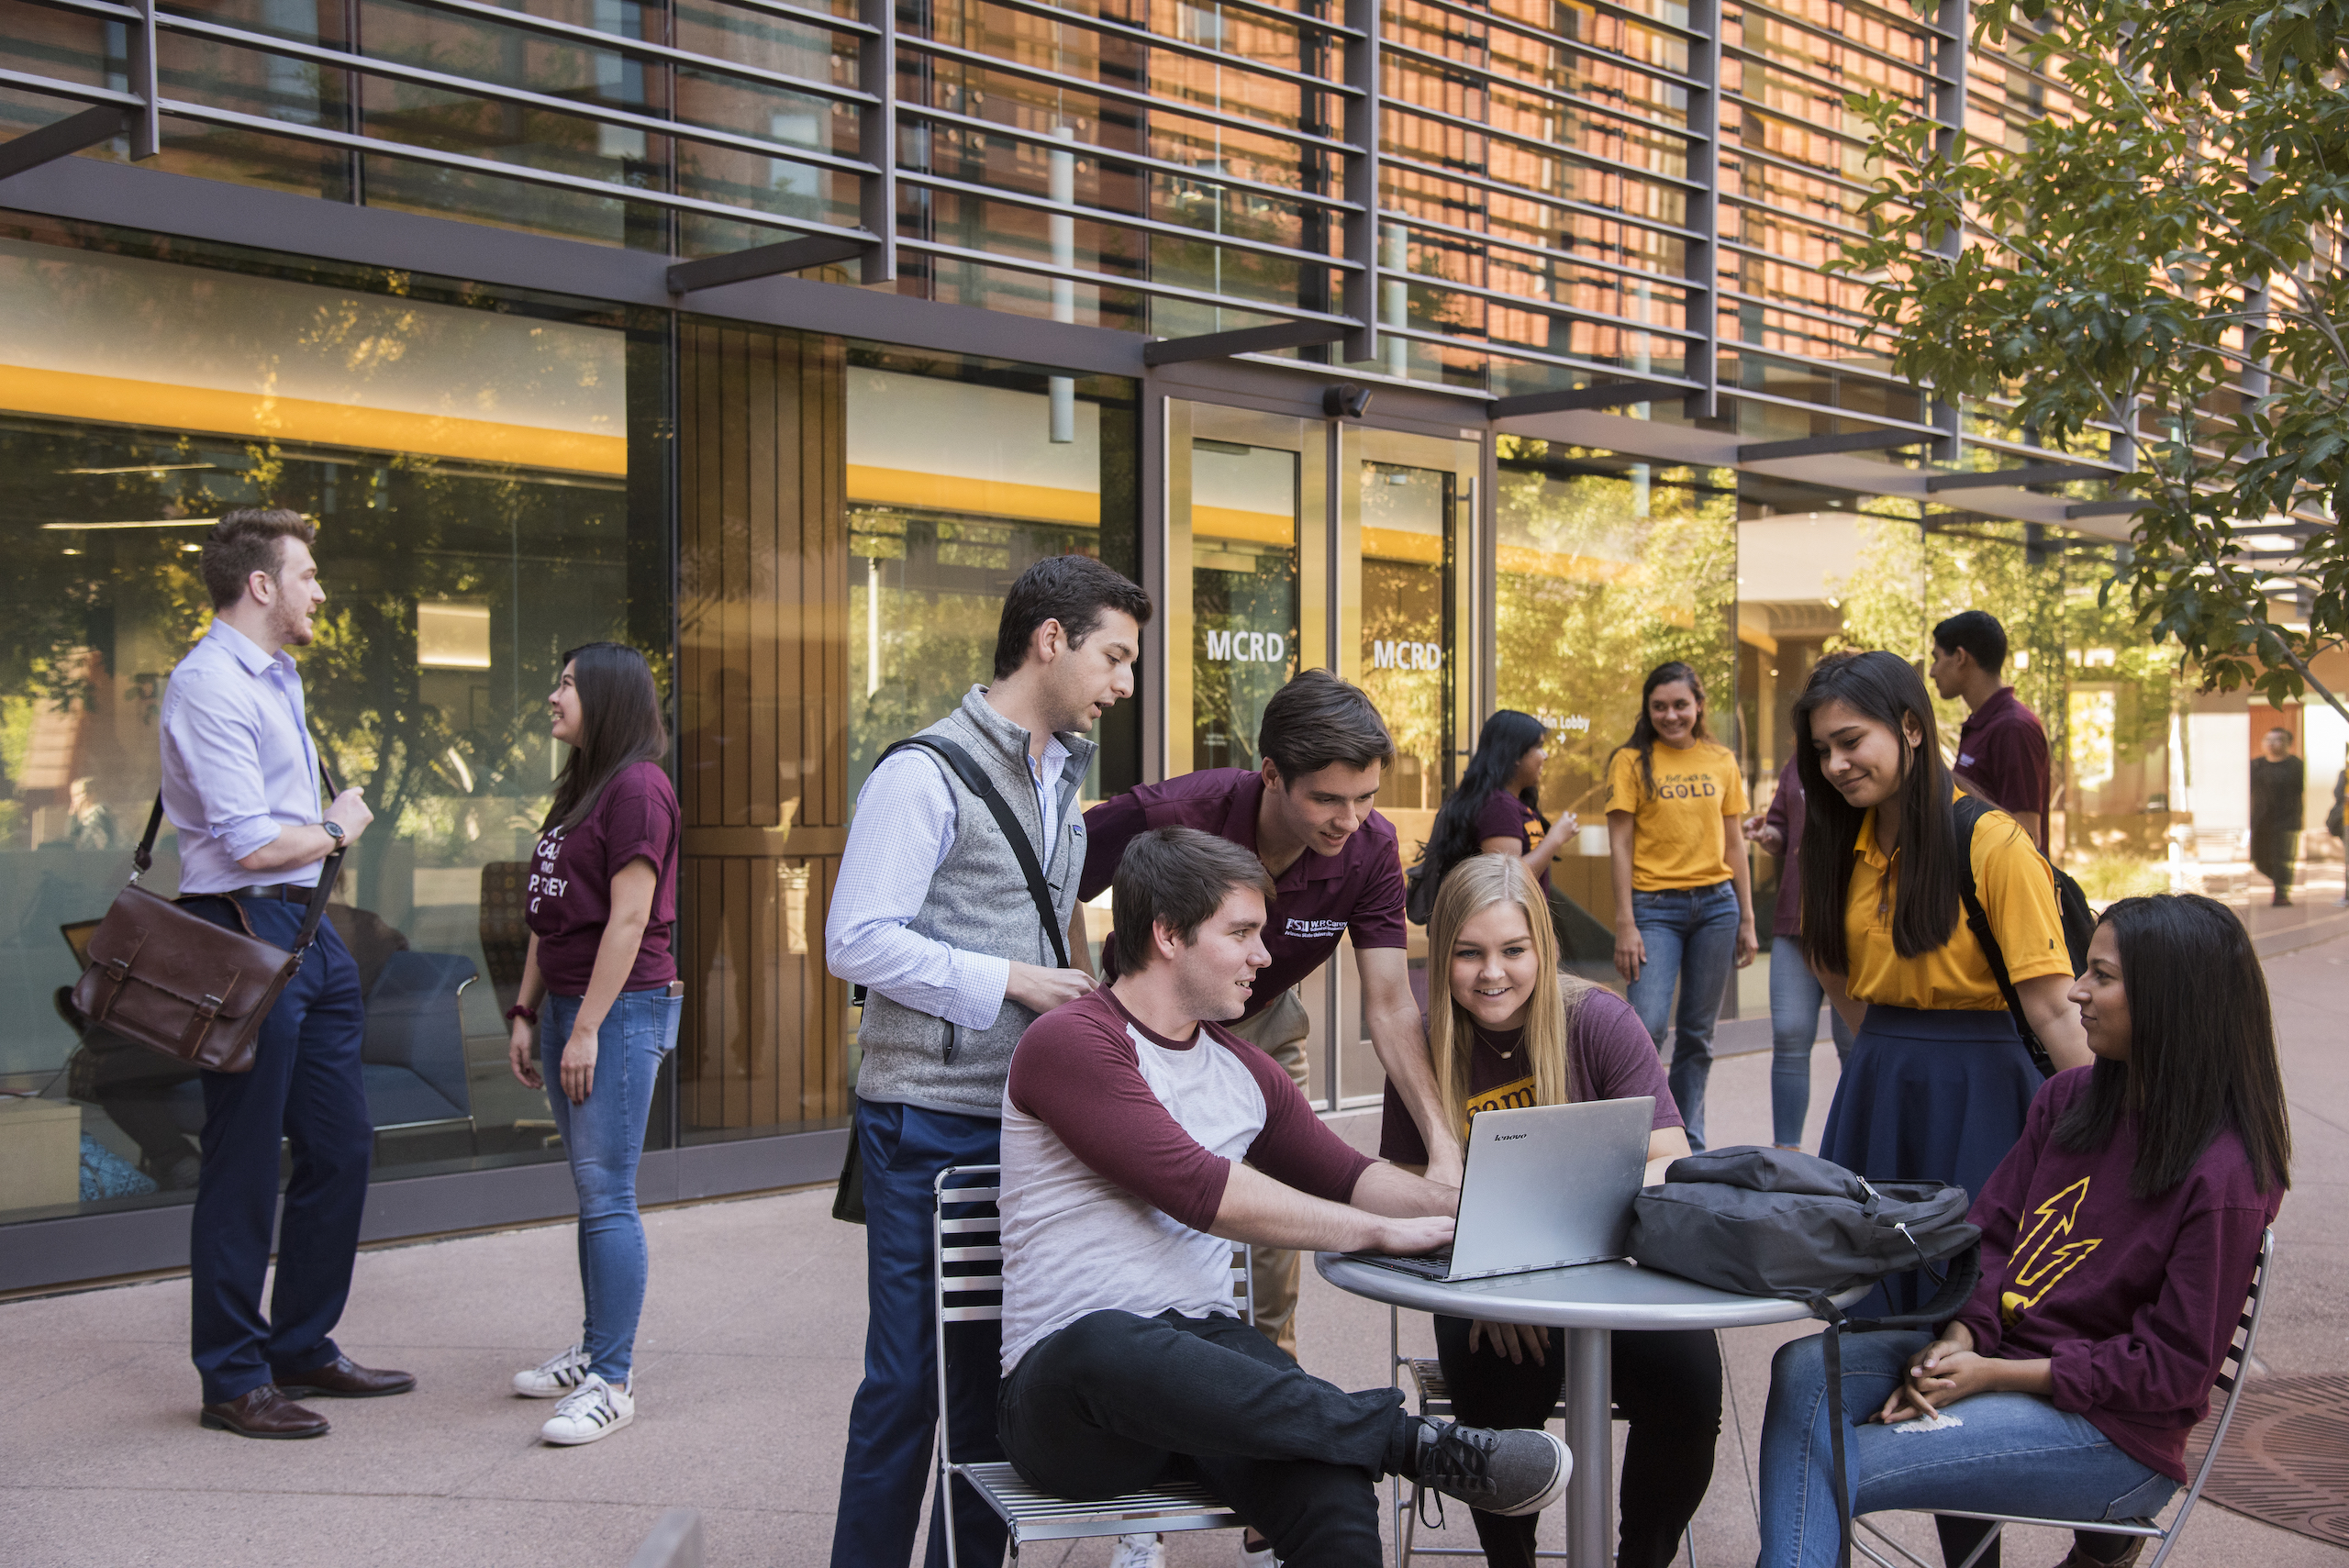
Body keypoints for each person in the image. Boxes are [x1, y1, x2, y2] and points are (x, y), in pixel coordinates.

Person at [996, 827, 1571, 1567]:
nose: (1264, 958)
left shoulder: (1245, 1071)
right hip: (1068, 1400)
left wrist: (1490, 1216)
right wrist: (1371, 1232)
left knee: (1329, 1481)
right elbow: (1197, 1187)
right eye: (1241, 933)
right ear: (1168, 934)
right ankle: (1411, 1442)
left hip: (1209, 1375)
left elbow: (1351, 1175)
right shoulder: (1071, 1042)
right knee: (1107, 1341)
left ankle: (1384, 1445)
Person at [1756, 893, 2290, 1568]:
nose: (2077, 990)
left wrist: (1994, 1375)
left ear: (2172, 1000)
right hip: (2005, 1359)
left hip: (2111, 1435)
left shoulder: (2226, 1175)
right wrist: (1957, 1340)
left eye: (2103, 975)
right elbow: (1992, 1239)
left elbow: (2173, 1372)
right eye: (2084, 969)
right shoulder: (2069, 1100)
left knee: (1825, 1464)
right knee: (1805, 1368)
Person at [825, 553, 1151, 1568]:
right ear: (1049, 640)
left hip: (1019, 1121)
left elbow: (1051, 927)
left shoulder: (1059, 774)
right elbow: (856, 940)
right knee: (908, 1383)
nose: (1123, 684)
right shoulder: (921, 771)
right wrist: (1014, 978)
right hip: (923, 1115)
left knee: (988, 1386)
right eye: (1114, 656)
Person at [1082, 670, 1458, 1362]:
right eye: (1327, 799)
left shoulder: (1370, 847)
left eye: (1366, 796)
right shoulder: (1176, 811)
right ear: (1272, 775)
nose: (1350, 819)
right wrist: (1078, 985)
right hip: (1151, 1028)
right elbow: (1054, 873)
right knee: (1150, 1211)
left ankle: (1271, 1371)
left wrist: (1444, 1146)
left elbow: (1391, 1000)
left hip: (1262, 1026)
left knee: (1275, 1237)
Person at [1381, 853, 1720, 1568]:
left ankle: (1641, 1560)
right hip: (1486, 1292)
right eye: (1469, 953)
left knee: (1690, 1387)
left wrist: (1537, 1261)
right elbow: (1407, 1189)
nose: (1491, 972)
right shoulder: (1424, 1045)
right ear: (1442, 955)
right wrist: (1494, 1287)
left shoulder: (1596, 1020)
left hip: (1610, 1277)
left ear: (1543, 946)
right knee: (1493, 1410)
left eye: (1512, 949)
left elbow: (1666, 1157)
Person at [160, 507, 412, 1438]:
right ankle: (231, 1376)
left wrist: (325, 853)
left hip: (311, 930)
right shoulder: (207, 684)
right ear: (260, 584)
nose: (318, 589)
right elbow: (251, 841)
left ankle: (300, 1342)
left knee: (340, 1145)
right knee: (241, 1162)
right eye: (306, 573)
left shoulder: (279, 675)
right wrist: (342, 825)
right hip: (241, 930)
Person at [1794, 651, 2091, 1314]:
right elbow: (1831, 966)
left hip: (1984, 1089)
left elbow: (2053, 1009)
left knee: (1975, 1296)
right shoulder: (1836, 847)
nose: (1835, 764)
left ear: (1913, 728)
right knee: (1867, 1304)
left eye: (1850, 741)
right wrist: (1884, 1052)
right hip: (1878, 1085)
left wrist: (2109, 1129)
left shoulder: (1994, 844)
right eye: (1822, 750)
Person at [501, 643, 682, 1446]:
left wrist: (583, 1028)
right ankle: (594, 1347)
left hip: (621, 1009)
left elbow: (629, 919)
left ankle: (614, 1378)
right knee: (590, 1188)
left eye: (567, 683)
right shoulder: (582, 788)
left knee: (608, 1191)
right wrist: (525, 1009)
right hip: (577, 1004)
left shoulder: (640, 789)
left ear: (606, 697)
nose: (552, 694)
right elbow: (552, 916)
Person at [1605, 660, 1756, 1150]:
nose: (1671, 715)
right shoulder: (1630, 761)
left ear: (1698, 706)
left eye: (1680, 705)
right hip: (1654, 910)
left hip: (1717, 906)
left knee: (1698, 1035)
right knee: (1646, 1025)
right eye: (1660, 707)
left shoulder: (1721, 760)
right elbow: (1621, 845)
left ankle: (1688, 1142)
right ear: (1648, 710)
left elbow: (1735, 845)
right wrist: (1625, 923)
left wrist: (1748, 918)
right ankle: (1643, 1138)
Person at [1742, 755, 1854, 1151]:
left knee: (1855, 1045)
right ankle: (1786, 1155)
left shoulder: (1860, 762)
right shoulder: (1796, 764)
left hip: (1854, 928)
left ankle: (1860, 1150)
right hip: (1796, 923)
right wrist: (1767, 834)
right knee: (1789, 1036)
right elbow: (1783, 833)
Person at [1419, 707, 1578, 923]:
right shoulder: (1498, 807)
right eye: (1539, 747)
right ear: (1515, 754)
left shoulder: (1514, 802)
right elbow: (1507, 881)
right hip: (1502, 930)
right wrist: (1555, 838)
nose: (1546, 755)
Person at [1929, 610, 2052, 851]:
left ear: (1960, 657)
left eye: (1936, 658)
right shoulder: (1983, 723)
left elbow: (2025, 833)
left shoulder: (2013, 728)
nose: (1932, 671)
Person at [2249, 726, 2304, 906]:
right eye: (2268, 740)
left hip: (2287, 820)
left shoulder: (2296, 765)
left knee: (2284, 858)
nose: (2272, 744)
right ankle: (2282, 882)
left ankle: (2281, 893)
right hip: (2261, 819)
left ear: (2288, 744)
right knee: (2259, 859)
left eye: (2278, 740)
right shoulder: (2256, 765)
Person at [67, 776, 118, 851]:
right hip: (85, 854)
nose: (76, 799)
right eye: (73, 795)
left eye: (79, 794)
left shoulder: (101, 811)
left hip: (101, 854)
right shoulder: (80, 816)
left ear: (91, 794)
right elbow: (71, 836)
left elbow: (106, 836)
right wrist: (72, 815)